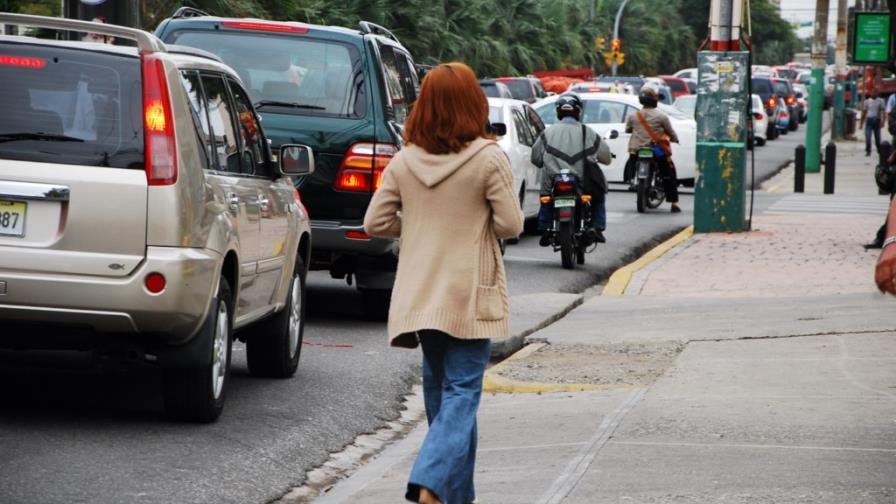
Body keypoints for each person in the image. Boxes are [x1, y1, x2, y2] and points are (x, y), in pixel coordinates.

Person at [363, 62, 524, 504]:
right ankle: (430, 481)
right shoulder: (489, 158)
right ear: (473, 104)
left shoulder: (404, 161)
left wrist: (417, 227)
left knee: (441, 392)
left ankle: (455, 496)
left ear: (425, 107)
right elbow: (510, 224)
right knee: (462, 393)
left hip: (421, 294)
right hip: (470, 295)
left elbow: (375, 222)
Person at [530, 93, 611, 246]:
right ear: (578, 112)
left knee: (546, 198)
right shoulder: (588, 132)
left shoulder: (547, 132)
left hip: (553, 182)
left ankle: (545, 228)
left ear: (558, 112)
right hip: (582, 183)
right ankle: (597, 226)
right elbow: (606, 157)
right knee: (598, 196)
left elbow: (535, 158)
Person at [624, 87, 682, 213]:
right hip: (656, 151)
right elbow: (670, 132)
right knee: (669, 172)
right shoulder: (662, 117)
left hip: (637, 150)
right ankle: (674, 203)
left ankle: (631, 179)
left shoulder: (633, 116)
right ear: (654, 101)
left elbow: (627, 130)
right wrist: (675, 139)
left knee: (631, 162)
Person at [862, 90, 885, 157]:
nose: (874, 94)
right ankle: (868, 150)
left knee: (877, 138)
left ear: (877, 93)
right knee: (868, 137)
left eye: (875, 92)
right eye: (873, 92)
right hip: (869, 120)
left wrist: (883, 121)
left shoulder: (880, 101)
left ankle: (879, 150)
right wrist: (861, 123)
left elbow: (883, 112)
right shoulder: (867, 101)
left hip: (877, 120)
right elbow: (864, 112)